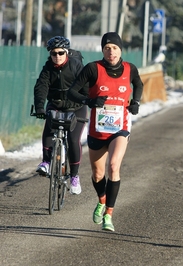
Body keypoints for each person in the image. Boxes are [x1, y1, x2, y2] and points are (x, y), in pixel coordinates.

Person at [67, 32, 144, 231]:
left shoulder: (130, 69)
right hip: (97, 130)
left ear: (121, 50)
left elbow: (139, 83)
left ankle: (109, 214)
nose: (111, 52)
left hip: (120, 127)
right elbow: (72, 91)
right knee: (98, 173)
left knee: (113, 166)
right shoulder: (93, 69)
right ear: (103, 50)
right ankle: (102, 200)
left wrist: (135, 102)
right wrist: (89, 101)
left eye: (115, 48)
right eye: (107, 48)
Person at [33, 36, 88, 195]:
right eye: (53, 53)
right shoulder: (48, 68)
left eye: (61, 53)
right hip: (56, 104)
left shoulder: (76, 66)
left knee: (72, 139)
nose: (57, 56)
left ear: (67, 53)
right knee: (49, 129)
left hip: (76, 107)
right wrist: (39, 108)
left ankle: (74, 176)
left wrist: (87, 100)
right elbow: (41, 87)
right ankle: (46, 162)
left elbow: (86, 87)